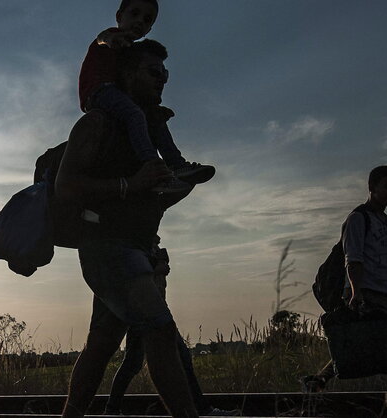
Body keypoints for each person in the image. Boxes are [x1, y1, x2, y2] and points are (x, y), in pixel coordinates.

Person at [56, 39, 199, 418]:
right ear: (127, 73)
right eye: (154, 72)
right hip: (107, 247)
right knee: (160, 329)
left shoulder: (148, 133)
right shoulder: (97, 122)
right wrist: (130, 185)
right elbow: (66, 186)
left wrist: (170, 189)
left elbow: (146, 196)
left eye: (165, 74)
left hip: (136, 249)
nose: (163, 80)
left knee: (101, 345)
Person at [302, 166, 387, 393]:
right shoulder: (358, 219)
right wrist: (355, 291)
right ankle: (319, 381)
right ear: (372, 188)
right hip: (367, 291)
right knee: (365, 342)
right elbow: (353, 258)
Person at [79, 0, 214, 193]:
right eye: (134, 14)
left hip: (117, 93)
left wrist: (153, 108)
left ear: (150, 29)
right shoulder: (113, 38)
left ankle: (176, 164)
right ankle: (153, 167)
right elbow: (102, 37)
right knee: (134, 114)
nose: (139, 21)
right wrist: (109, 39)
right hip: (98, 91)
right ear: (119, 17)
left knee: (153, 118)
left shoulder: (133, 52)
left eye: (147, 19)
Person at [104, 238, 237, 416]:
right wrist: (159, 265)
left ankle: (111, 410)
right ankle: (202, 409)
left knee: (133, 364)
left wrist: (161, 262)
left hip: (153, 312)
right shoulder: (138, 246)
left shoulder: (149, 246)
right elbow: (138, 273)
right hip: (146, 311)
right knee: (175, 358)